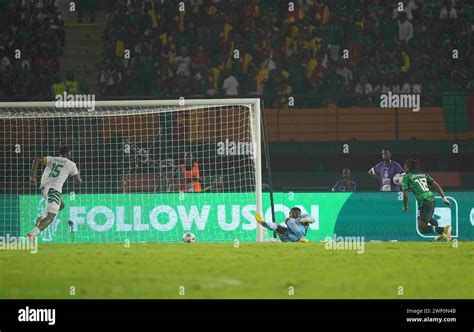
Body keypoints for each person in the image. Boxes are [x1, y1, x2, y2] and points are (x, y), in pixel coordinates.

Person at [27, 146, 82, 240]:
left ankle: (42, 217)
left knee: (61, 205)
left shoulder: (51, 159)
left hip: (44, 189)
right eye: (70, 153)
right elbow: (78, 182)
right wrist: (78, 174)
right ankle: (32, 235)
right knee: (50, 218)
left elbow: (36, 160)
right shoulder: (72, 164)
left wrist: (32, 177)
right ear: (68, 153)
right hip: (53, 190)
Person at [402, 159, 451, 241]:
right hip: (431, 198)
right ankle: (441, 234)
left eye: (405, 166)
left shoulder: (407, 177)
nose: (404, 168)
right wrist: (443, 197)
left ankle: (444, 229)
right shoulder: (423, 175)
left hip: (424, 201)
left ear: (407, 168)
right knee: (430, 219)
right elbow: (436, 185)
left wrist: (405, 206)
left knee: (421, 228)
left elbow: (405, 194)